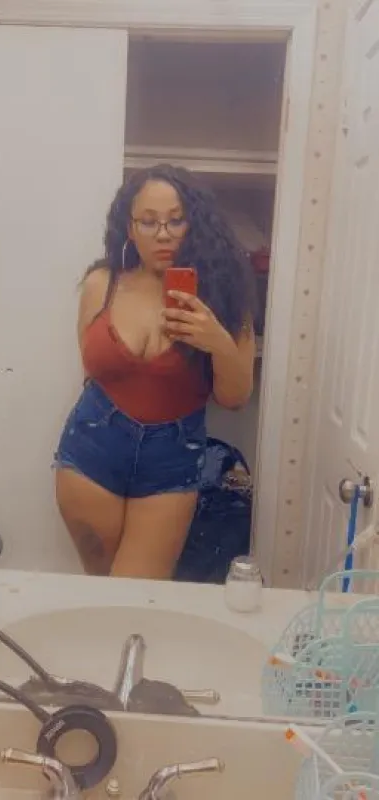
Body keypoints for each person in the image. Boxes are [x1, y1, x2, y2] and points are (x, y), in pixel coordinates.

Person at [54, 164, 256, 580]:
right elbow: (91, 370)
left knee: (136, 596)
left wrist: (216, 340)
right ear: (130, 228)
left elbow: (234, 398)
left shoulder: (225, 294)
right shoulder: (101, 284)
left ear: (194, 223)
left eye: (175, 220)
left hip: (170, 461)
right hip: (92, 447)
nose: (163, 234)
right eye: (148, 221)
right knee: (98, 587)